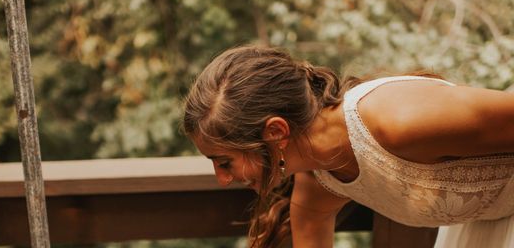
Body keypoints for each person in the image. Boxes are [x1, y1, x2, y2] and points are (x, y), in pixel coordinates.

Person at [182, 45, 514, 247]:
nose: (222, 179)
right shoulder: (319, 182)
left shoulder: (399, 121)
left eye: (224, 162)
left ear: (276, 131)